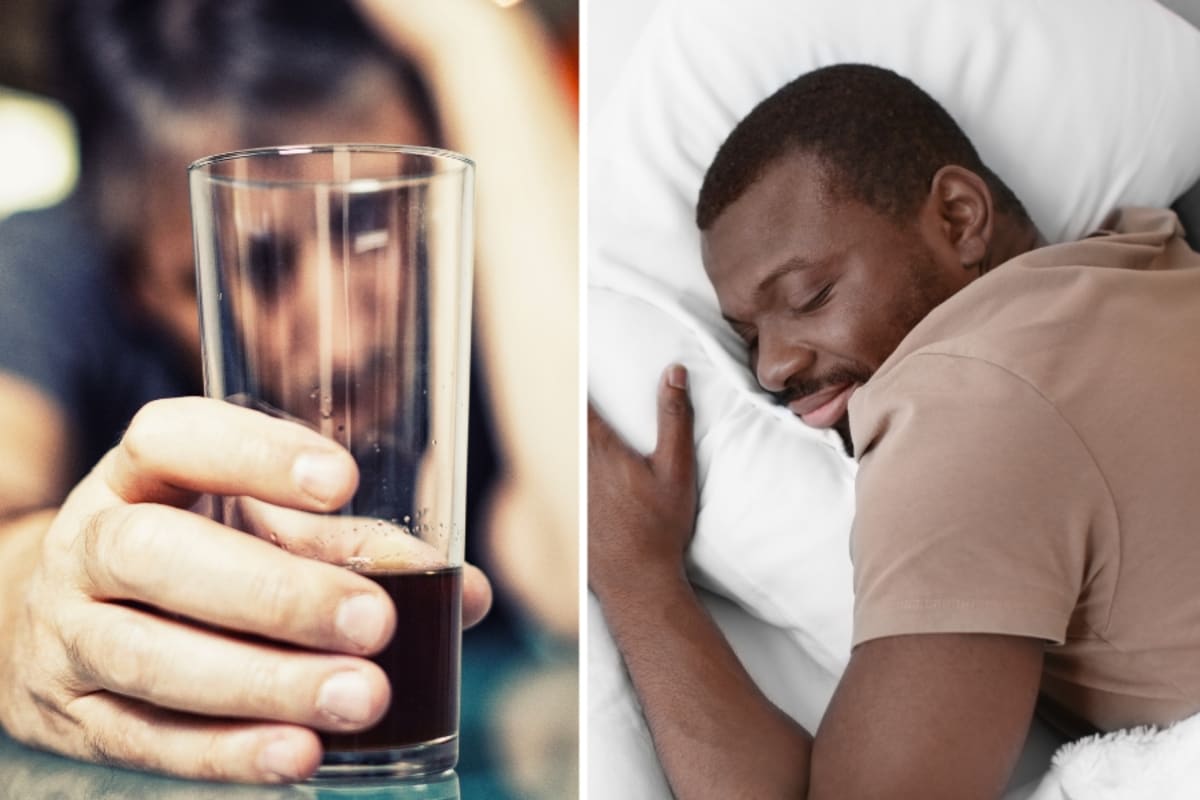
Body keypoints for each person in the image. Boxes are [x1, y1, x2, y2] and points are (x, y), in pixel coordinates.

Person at [0, 0, 577, 784]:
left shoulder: (494, 282)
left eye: (371, 230)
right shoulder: (53, 266)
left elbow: (581, 566)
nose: (343, 337)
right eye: (261, 265)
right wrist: (28, 603)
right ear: (136, 277)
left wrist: (474, 34)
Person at [589, 63, 1200, 798]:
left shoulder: (964, 406)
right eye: (748, 337)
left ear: (958, 217)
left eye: (809, 296)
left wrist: (635, 576)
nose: (775, 367)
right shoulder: (1143, 259)